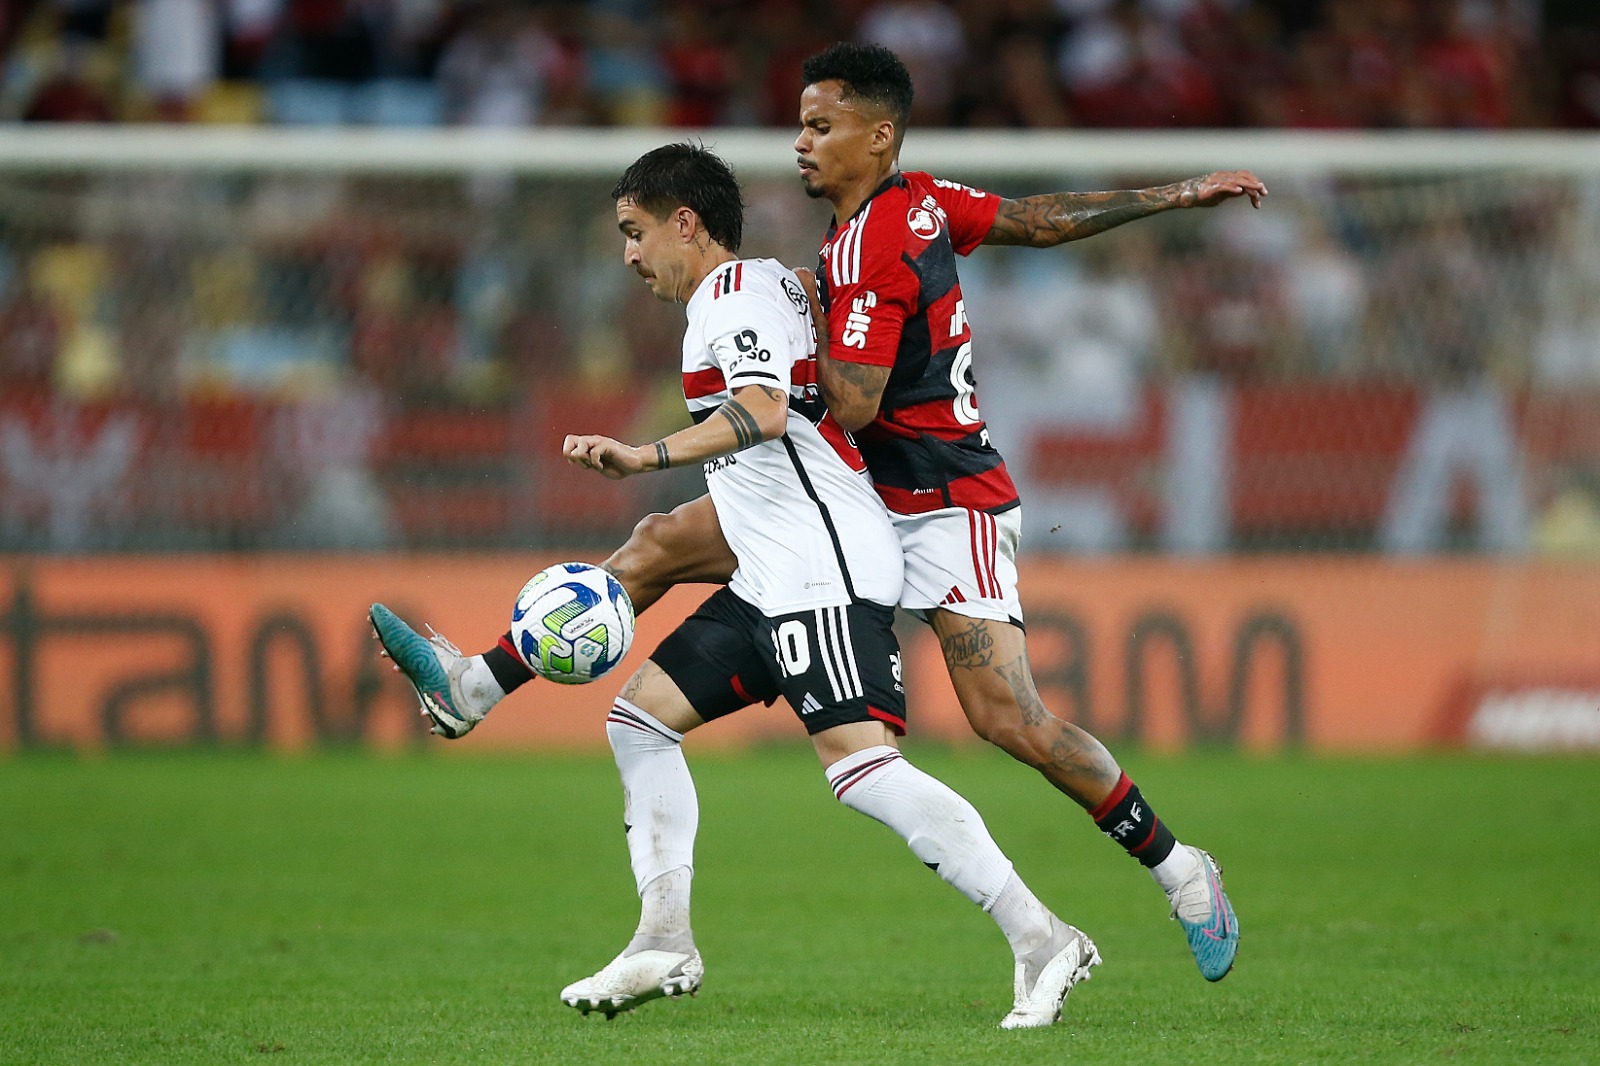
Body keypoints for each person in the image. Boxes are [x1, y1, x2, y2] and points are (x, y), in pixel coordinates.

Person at [372, 42, 1265, 984]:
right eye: (800, 123)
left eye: (820, 126)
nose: (800, 142)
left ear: (876, 137)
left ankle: (1178, 868)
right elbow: (1032, 220)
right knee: (663, 539)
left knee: (1010, 722)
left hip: (941, 501)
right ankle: (478, 687)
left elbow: (848, 402)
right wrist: (1171, 194)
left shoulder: (876, 245)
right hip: (854, 490)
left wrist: (785, 323)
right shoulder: (907, 205)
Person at [376, 143, 1099, 1028]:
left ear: (687, 222)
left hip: (819, 566)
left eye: (636, 233)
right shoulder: (765, 288)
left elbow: (760, 413)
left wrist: (645, 455)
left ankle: (1041, 935)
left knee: (863, 771)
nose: (630, 255)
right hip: (771, 566)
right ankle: (661, 936)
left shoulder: (731, 297)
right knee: (639, 719)